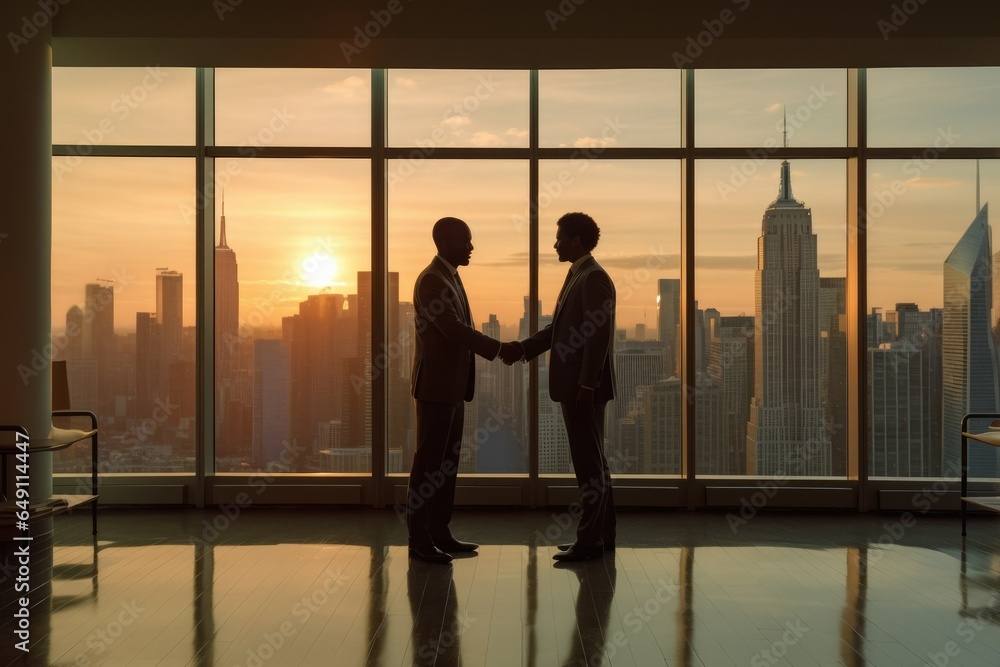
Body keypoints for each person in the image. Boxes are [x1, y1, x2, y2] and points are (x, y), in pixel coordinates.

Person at [501, 212, 617, 562]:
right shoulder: (579, 276)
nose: (554, 243)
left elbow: (597, 338)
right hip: (578, 388)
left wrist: (586, 384)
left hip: (582, 390)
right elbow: (560, 332)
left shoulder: (593, 279)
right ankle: (601, 536)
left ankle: (590, 542)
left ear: (576, 240)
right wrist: (523, 349)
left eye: (559, 237)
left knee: (588, 466)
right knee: (594, 463)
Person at [407, 216, 519, 564]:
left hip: (452, 387)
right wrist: (500, 349)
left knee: (447, 464)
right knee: (429, 464)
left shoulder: (449, 277)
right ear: (445, 242)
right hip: (437, 387)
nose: (471, 247)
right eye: (466, 241)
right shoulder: (431, 281)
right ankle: (419, 540)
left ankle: (440, 533)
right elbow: (453, 329)